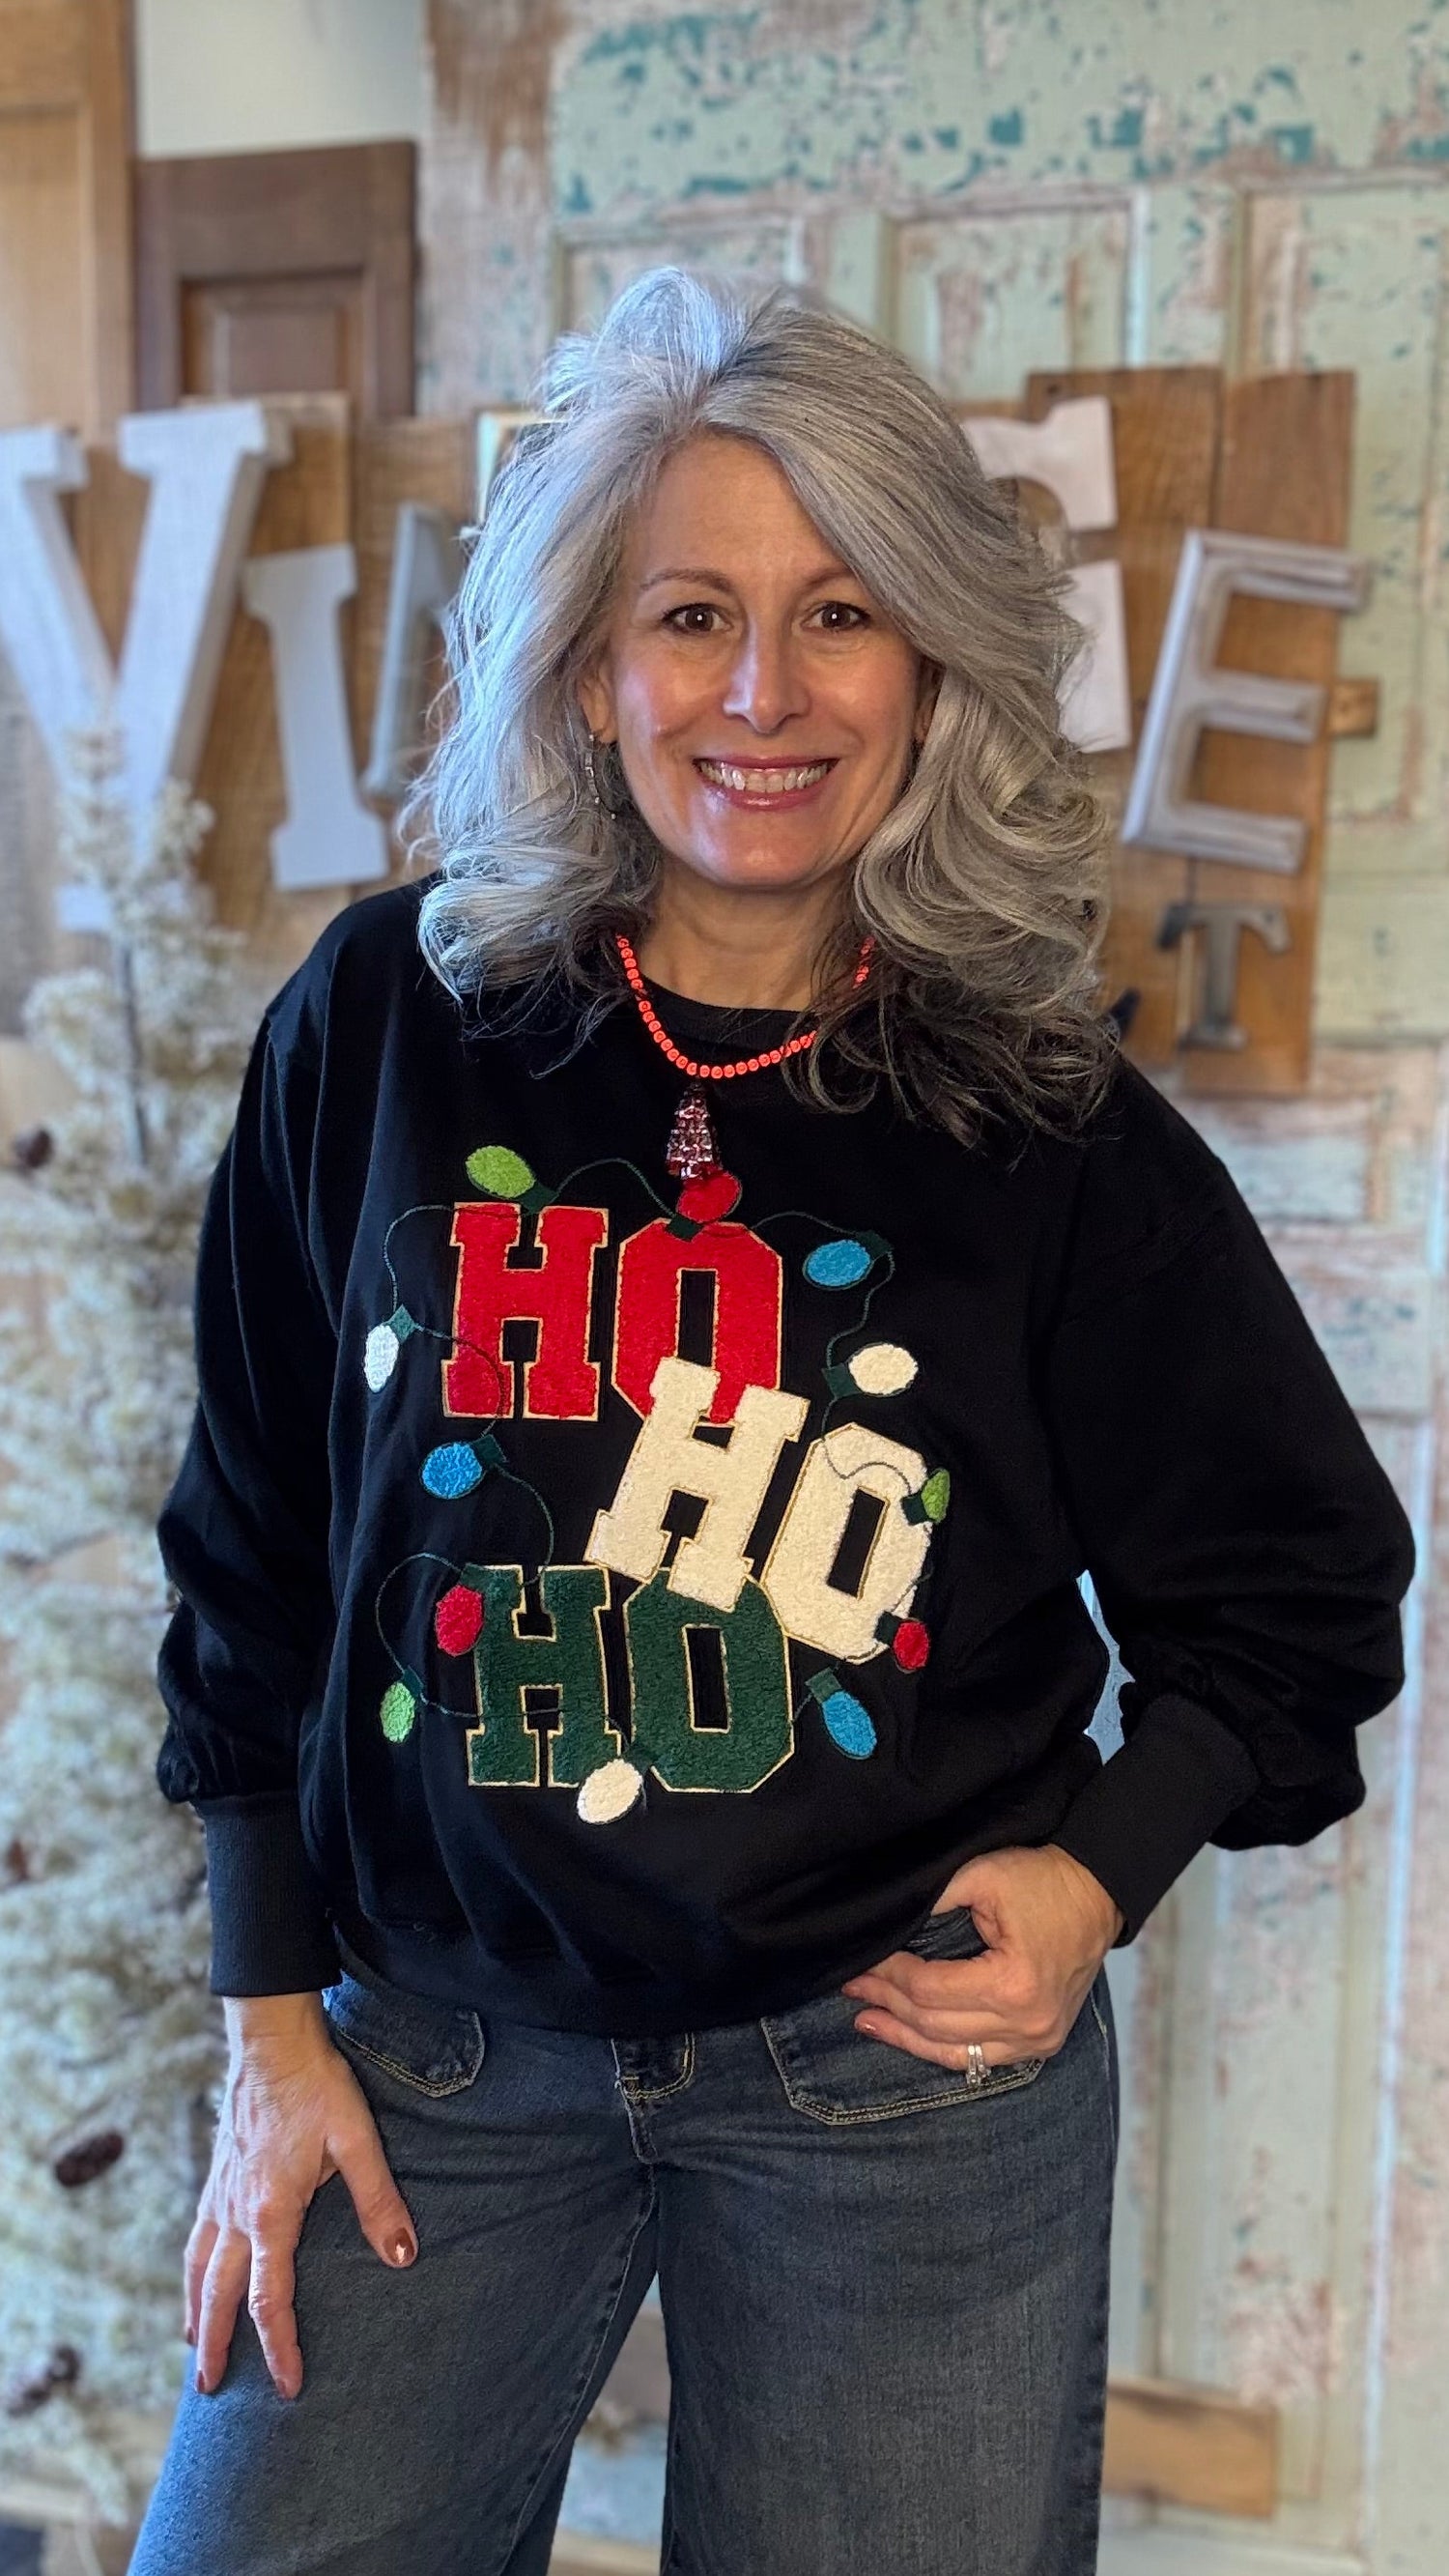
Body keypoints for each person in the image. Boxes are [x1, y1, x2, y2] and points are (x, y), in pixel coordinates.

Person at [130, 269, 1415, 2576]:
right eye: (692, 610)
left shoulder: (1043, 1126)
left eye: (840, 613)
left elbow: (1301, 1587)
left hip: (895, 2089)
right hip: (435, 2052)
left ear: (928, 664)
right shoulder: (392, 1026)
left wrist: (1096, 1870)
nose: (761, 692)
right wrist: (268, 2023)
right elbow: (247, 1538)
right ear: (586, 665)